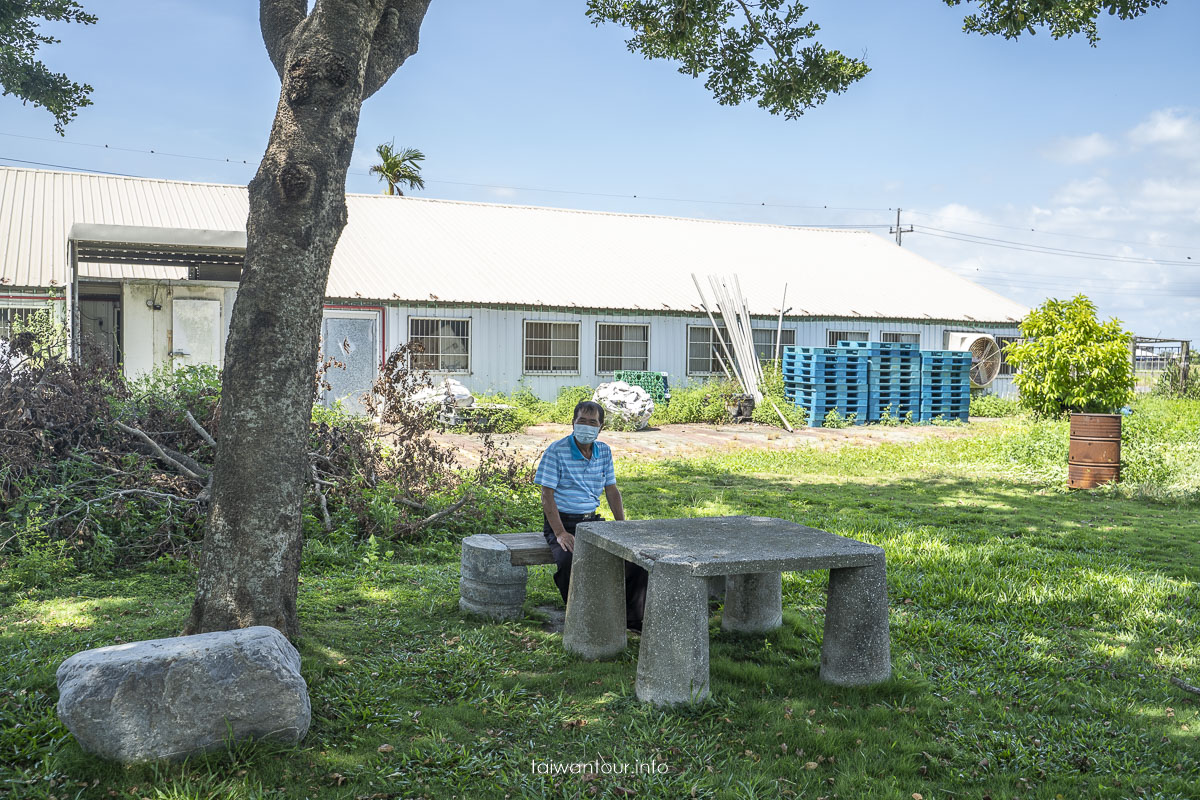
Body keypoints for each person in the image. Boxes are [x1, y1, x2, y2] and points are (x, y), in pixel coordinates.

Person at [535, 400, 647, 631]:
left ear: (600, 427)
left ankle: (632, 620)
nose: (586, 426)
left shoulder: (603, 451)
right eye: (581, 421)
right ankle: (578, 617)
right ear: (573, 423)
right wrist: (560, 533)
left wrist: (621, 525)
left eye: (592, 422)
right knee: (568, 562)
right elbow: (547, 496)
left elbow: (612, 490)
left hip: (592, 521)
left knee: (636, 560)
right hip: (563, 521)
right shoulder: (556, 451)